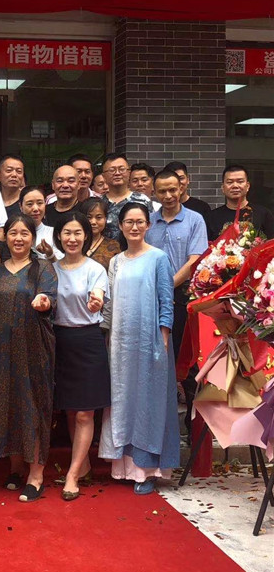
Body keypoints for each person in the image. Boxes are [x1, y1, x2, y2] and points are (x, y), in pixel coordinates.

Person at [99, 202, 179, 494]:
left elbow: (166, 300)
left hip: (150, 343)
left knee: (149, 401)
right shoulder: (116, 261)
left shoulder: (158, 258)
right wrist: (106, 335)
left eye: (140, 221)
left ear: (148, 225)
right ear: (120, 226)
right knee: (124, 398)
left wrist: (163, 338)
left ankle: (148, 471)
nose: (134, 227)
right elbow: (110, 304)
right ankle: (125, 468)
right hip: (121, 344)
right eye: (128, 222)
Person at [0, 215, 56, 501]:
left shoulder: (42, 267)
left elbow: (50, 298)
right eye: (13, 233)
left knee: (33, 404)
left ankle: (36, 474)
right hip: (3, 349)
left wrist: (44, 302)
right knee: (8, 403)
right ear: (5, 237)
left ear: (33, 237)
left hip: (33, 347)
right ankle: (15, 468)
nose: (18, 238)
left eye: (24, 233)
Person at [52, 212, 110, 501]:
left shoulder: (95, 269)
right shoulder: (51, 269)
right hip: (59, 340)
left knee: (86, 412)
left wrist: (95, 300)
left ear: (86, 236)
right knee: (71, 410)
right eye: (67, 233)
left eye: (77, 233)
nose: (72, 238)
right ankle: (82, 465)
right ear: (59, 236)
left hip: (87, 340)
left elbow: (97, 295)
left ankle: (72, 475)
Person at [145, 169, 208, 435]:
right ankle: (161, 428)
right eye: (162, 191)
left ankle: (193, 429)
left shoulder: (195, 219)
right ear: (154, 193)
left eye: (173, 189)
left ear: (181, 188)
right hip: (151, 299)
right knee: (158, 363)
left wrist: (167, 285)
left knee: (188, 364)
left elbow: (195, 261)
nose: (169, 195)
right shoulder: (148, 222)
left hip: (183, 298)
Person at [206, 164, 274, 241]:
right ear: (223, 188)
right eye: (229, 182)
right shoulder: (212, 217)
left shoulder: (263, 214)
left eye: (240, 181)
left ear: (247, 186)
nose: (235, 186)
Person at [102, 153, 152, 238]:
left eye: (122, 169)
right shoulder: (99, 202)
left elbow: (150, 231)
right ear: (104, 176)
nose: (117, 173)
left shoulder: (143, 200)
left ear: (129, 173)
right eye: (112, 170)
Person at [19, 185, 63, 262]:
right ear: (21, 206)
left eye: (40, 203)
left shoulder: (54, 233)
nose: (35, 209)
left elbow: (62, 266)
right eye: (29, 204)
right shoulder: (14, 234)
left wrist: (50, 254)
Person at [78, 197, 121, 270]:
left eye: (98, 217)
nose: (93, 222)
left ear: (105, 219)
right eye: (89, 217)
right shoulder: (75, 243)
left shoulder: (113, 246)